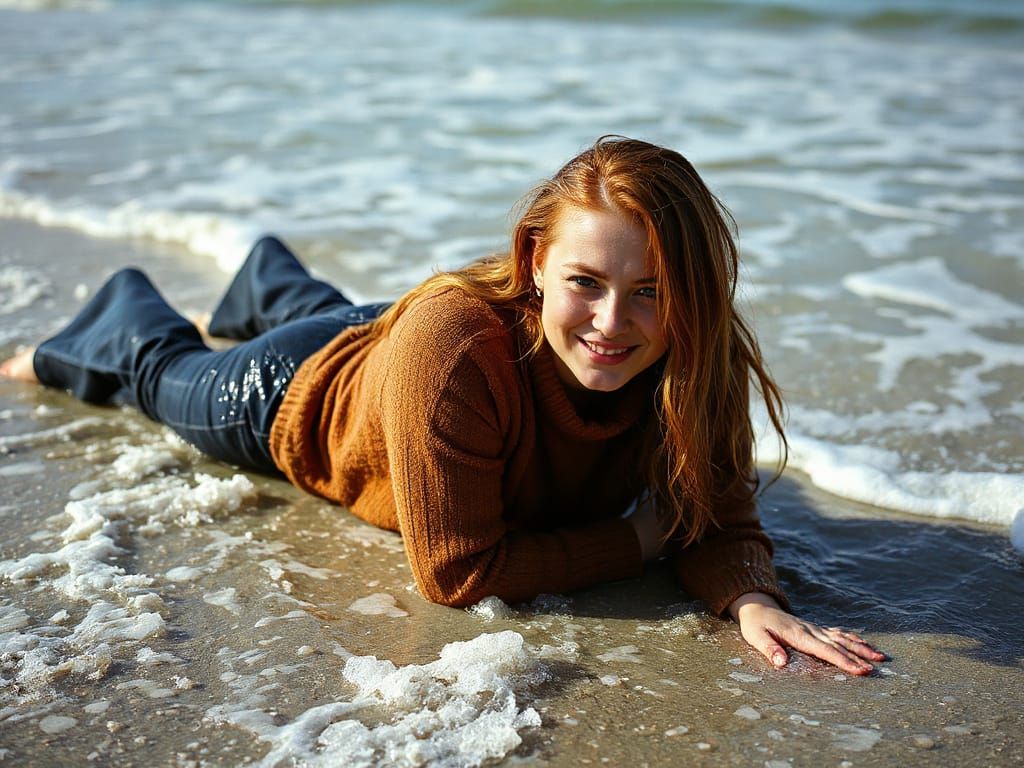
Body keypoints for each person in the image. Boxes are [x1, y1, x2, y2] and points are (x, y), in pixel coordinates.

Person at [1, 136, 884, 675]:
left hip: (396, 348)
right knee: (163, 377)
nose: (617, 324)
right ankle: (125, 311)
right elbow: (456, 574)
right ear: (534, 260)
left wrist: (750, 598)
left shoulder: (696, 350)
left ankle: (269, 278)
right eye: (587, 282)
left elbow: (716, 515)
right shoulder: (461, 348)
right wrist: (638, 541)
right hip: (297, 398)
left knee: (364, 321)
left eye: (652, 291)